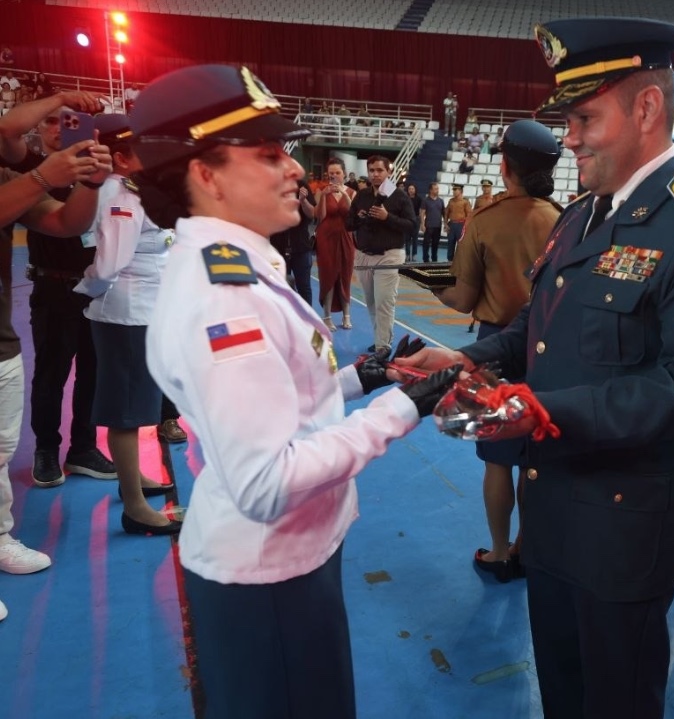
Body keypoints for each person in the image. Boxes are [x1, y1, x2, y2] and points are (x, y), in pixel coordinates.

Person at [396, 18, 674, 718]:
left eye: (584, 118)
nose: (568, 138)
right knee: (561, 692)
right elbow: (536, 332)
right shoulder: (580, 216)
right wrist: (466, 357)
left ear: (646, 109)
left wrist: (541, 412)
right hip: (553, 511)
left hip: (624, 531)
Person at [130, 63, 459, 717]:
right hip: (267, 574)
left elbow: (278, 399)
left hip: (287, 557)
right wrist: (400, 409)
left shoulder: (239, 264)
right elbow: (265, 480)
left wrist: (361, 378)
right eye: (268, 153)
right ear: (206, 175)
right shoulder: (223, 297)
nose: (292, 169)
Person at [432, 120, 562, 583]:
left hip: (496, 347)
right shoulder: (564, 219)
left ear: (505, 166)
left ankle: (500, 552)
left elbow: (463, 297)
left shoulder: (485, 221)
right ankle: (528, 548)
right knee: (534, 459)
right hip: (549, 348)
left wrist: (431, 285)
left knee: (498, 460)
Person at [0, 91, 112, 619]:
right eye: (53, 122)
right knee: (51, 374)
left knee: (3, 447)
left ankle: (80, 450)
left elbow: (69, 222)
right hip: (51, 285)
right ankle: (48, 449)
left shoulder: (40, 173)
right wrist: (62, 98)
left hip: (86, 291)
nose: (61, 129)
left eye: (71, 122)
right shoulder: (27, 167)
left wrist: (91, 181)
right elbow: (9, 132)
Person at [73, 113, 177, 534]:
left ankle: (132, 480)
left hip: (143, 312)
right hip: (126, 314)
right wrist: (87, 292)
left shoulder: (136, 191)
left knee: (135, 407)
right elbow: (108, 265)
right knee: (126, 411)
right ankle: (134, 506)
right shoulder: (120, 194)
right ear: (120, 157)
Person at [350, 156, 415, 354]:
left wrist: (388, 218)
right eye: (372, 170)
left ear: (389, 172)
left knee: (384, 302)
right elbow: (348, 224)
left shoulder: (399, 196)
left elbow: (412, 226)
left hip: (390, 255)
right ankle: (381, 338)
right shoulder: (362, 196)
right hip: (364, 255)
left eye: (380, 170)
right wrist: (358, 218)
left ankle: (382, 347)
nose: (375, 174)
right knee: (371, 302)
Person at [315, 158, 355, 330]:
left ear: (344, 173)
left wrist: (344, 194)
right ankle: (327, 316)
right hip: (326, 238)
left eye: (337, 172)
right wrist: (324, 196)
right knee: (327, 276)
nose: (334, 176)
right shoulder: (321, 191)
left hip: (346, 237)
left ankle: (347, 316)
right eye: (331, 173)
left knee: (345, 275)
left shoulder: (352, 192)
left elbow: (353, 216)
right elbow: (320, 216)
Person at [270, 177, 316, 305]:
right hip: (277, 246)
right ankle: (283, 316)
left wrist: (303, 201)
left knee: (304, 287)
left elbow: (312, 213)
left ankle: (306, 317)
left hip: (301, 246)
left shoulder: (301, 185)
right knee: (280, 287)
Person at [443, 183, 471, 261]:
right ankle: (449, 261)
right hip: (452, 224)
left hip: (461, 225)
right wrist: (445, 224)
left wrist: (466, 227)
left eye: (456, 190)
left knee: (461, 244)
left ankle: (460, 262)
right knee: (450, 243)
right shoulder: (451, 201)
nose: (454, 191)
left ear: (460, 191)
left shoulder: (465, 202)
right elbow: (446, 213)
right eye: (453, 190)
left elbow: (469, 215)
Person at [420, 182, 445, 262]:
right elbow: (422, 213)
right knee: (426, 244)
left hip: (438, 226)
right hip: (428, 226)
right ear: (430, 190)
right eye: (435, 189)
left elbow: (444, 213)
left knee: (435, 244)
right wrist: (422, 224)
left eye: (437, 189)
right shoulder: (425, 200)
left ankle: (434, 259)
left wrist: (445, 224)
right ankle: (425, 259)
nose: (437, 190)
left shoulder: (441, 201)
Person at [404, 183, 422, 260]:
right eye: (409, 189)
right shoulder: (405, 198)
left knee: (415, 238)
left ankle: (414, 254)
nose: (411, 190)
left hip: (416, 219)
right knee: (407, 238)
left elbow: (421, 210)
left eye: (412, 189)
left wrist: (420, 221)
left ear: (415, 190)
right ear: (407, 190)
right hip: (407, 219)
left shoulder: (419, 199)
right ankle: (407, 254)